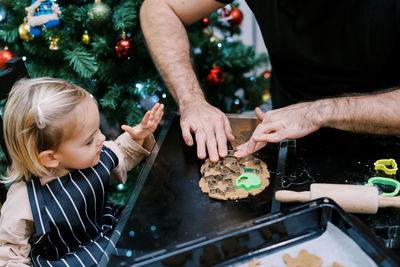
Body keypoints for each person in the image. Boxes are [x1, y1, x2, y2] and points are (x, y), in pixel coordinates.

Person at [140, 0, 400, 161]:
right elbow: (159, 7)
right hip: (288, 140)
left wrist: (320, 112)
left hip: (385, 137)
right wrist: (192, 100)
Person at [0, 77, 164, 266]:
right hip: (72, 260)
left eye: (97, 130)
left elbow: (122, 153)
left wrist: (138, 138)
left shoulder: (94, 153)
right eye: (89, 140)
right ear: (51, 158)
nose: (102, 138)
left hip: (109, 229)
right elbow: (8, 254)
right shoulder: (25, 200)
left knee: (153, 220)